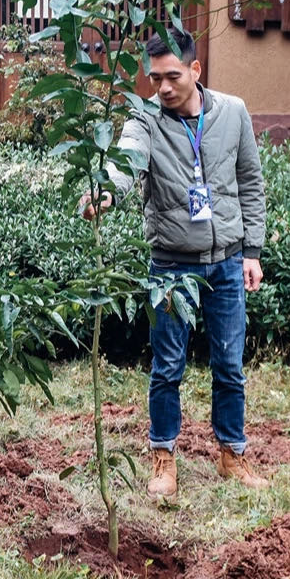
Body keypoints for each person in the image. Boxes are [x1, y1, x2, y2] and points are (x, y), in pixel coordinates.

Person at [84, 27, 269, 496]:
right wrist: (105, 191)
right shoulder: (145, 118)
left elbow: (250, 181)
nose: (162, 88)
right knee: (168, 365)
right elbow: (126, 160)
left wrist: (252, 252)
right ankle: (163, 456)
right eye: (154, 79)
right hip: (170, 266)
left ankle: (232, 454)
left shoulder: (233, 113)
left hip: (226, 261)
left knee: (229, 364)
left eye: (171, 76)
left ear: (195, 69)